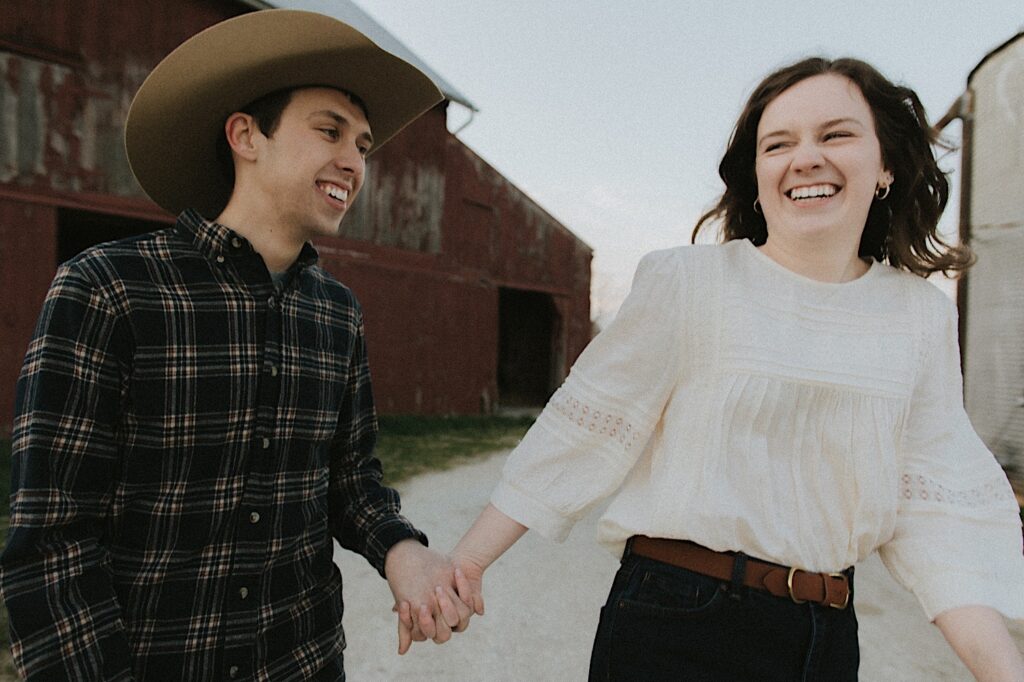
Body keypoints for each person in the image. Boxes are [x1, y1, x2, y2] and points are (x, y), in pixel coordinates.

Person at [418, 57, 1024, 680]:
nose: (806, 157)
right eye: (778, 143)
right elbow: (586, 430)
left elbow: (933, 507)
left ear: (887, 166)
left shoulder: (919, 318)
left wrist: (1003, 669)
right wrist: (465, 563)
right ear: (758, 176)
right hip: (677, 623)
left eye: (835, 135)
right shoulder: (690, 285)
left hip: (826, 638)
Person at [0, 9, 473, 681]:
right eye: (330, 131)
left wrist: (403, 551)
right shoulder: (108, 288)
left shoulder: (338, 315)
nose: (353, 161)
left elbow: (351, 479)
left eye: (364, 145)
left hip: (304, 663)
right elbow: (53, 544)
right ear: (246, 136)